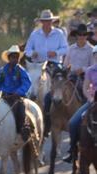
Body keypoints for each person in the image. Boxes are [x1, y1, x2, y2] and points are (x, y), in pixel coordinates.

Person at [25, 10, 69, 138]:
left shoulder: (59, 33)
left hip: (53, 64)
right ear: (41, 22)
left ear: (52, 21)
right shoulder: (35, 34)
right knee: (29, 81)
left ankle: (51, 115)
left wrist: (55, 52)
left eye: (48, 21)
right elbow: (27, 49)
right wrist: (31, 53)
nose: (46, 24)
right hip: (37, 64)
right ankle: (25, 113)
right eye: (44, 21)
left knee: (57, 85)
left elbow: (65, 48)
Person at [63, 45, 97, 163]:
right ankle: (72, 151)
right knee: (73, 123)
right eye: (96, 54)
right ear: (94, 56)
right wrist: (90, 98)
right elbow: (85, 87)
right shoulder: (90, 70)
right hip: (93, 100)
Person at [64, 24, 94, 98]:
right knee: (51, 95)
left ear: (87, 36)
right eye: (79, 34)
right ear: (76, 35)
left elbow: (94, 67)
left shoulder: (91, 50)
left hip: (85, 77)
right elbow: (65, 64)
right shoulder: (71, 48)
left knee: (83, 93)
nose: (81, 36)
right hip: (71, 76)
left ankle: (85, 108)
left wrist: (83, 69)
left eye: (84, 34)